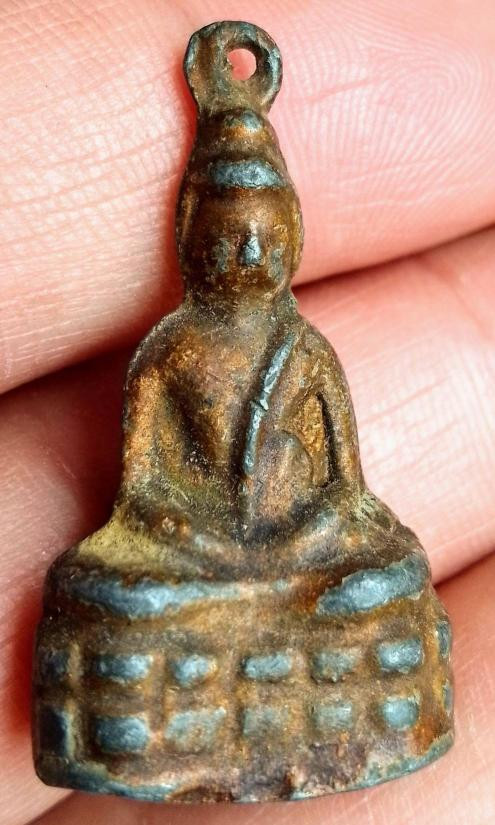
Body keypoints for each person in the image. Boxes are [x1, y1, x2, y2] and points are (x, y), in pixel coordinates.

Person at [1, 1, 494, 823]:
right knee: (110, 592)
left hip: (301, 545)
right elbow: (145, 494)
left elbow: (344, 491)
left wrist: (305, 532)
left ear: (291, 236)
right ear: (191, 236)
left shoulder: (306, 353)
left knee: (388, 573)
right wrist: (189, 534)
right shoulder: (167, 351)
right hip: (192, 553)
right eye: (228, 236)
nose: (249, 252)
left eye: (265, 236)